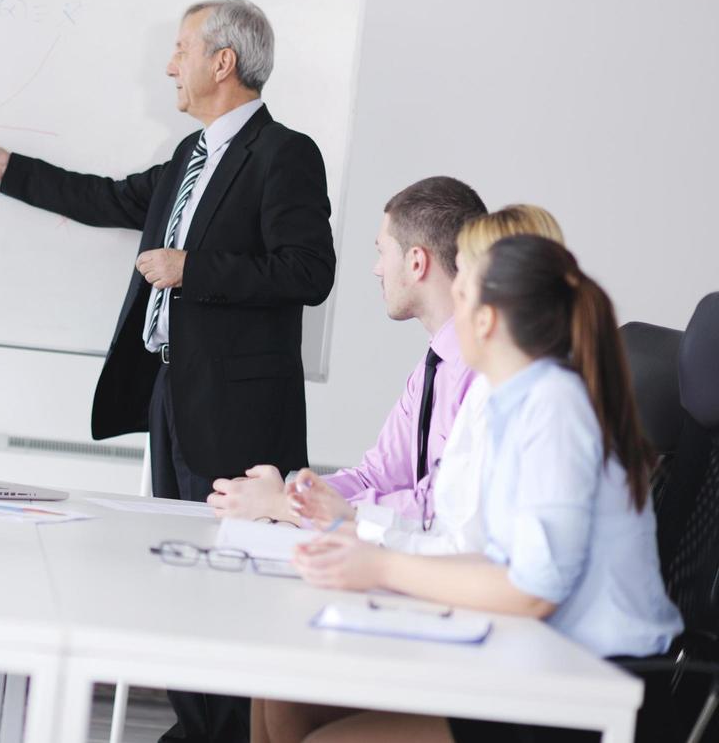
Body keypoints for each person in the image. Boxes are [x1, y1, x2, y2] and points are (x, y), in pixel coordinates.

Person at [0, 0, 335, 743]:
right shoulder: (192, 156)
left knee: (232, 573)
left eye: (181, 49)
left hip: (240, 408)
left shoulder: (286, 154)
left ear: (223, 62)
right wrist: (7, 171)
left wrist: (194, 268)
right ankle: (199, 727)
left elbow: (308, 271)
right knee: (184, 570)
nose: (169, 65)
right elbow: (111, 197)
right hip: (172, 391)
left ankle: (219, 732)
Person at [262, 235, 681, 743]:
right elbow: (485, 554)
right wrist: (364, 548)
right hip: (535, 654)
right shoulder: (516, 402)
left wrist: (382, 566)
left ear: (484, 321)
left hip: (588, 681)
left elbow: (532, 591)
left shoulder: (555, 408)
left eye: (459, 298)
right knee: (285, 692)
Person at [283, 205, 565, 558]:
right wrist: (320, 509)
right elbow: (453, 530)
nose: (455, 288)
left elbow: (513, 577)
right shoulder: (479, 383)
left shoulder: (536, 399)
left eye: (464, 274)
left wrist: (348, 526)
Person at [208, 176, 486, 527]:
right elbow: (377, 476)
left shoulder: (482, 368)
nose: (376, 268)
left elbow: (439, 507)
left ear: (416, 262)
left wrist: (287, 507)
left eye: (382, 251)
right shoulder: (432, 367)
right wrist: (292, 495)